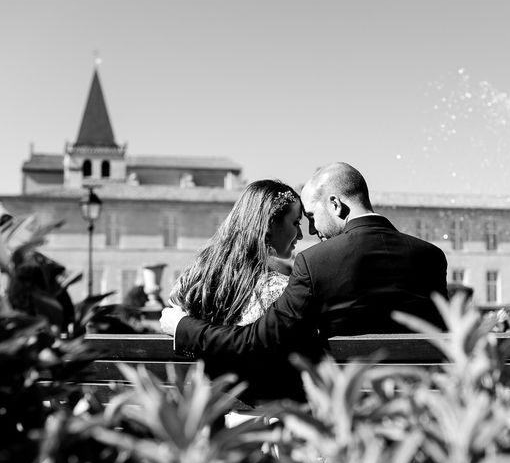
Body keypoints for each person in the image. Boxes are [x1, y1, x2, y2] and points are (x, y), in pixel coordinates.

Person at [160, 162, 448, 400]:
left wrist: (183, 327)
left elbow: (257, 341)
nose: (311, 230)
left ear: (335, 204)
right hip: (418, 405)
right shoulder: (431, 256)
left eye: (310, 216)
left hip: (346, 409)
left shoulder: (316, 263)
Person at [170, 179, 303, 327]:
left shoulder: (196, 277)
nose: (300, 235)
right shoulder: (278, 290)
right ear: (270, 223)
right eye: (296, 223)